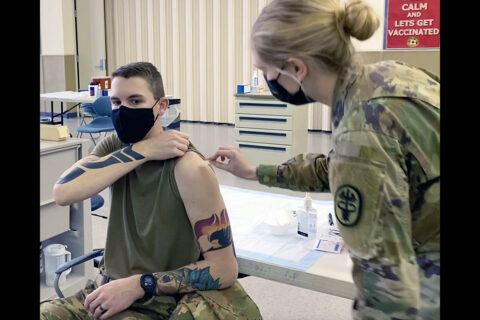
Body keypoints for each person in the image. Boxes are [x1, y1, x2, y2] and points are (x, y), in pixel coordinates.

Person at [208, 0, 440, 319]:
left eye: (266, 70)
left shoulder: (361, 128)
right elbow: (338, 166)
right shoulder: (386, 77)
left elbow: (388, 291)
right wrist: (254, 171)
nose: (266, 79)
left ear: (296, 68)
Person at [40, 62, 262, 320]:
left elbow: (224, 268)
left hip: (158, 297)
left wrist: (138, 285)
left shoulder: (188, 168)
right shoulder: (117, 146)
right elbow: (63, 192)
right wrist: (144, 151)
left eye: (135, 101)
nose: (123, 111)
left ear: (161, 106)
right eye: (116, 102)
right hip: (108, 287)